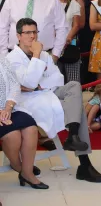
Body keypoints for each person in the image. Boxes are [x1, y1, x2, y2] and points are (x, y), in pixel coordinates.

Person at [7, 18, 101, 183]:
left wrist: (39, 83)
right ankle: (83, 162)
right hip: (29, 101)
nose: (32, 36)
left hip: (50, 92)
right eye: (28, 33)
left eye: (35, 32)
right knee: (77, 110)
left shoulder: (43, 54)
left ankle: (74, 136)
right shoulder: (12, 59)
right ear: (18, 36)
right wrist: (35, 58)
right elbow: (29, 84)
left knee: (74, 85)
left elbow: (58, 78)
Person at [0, 0, 68, 62]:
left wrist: (55, 55)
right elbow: (2, 28)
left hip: (44, 56)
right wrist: (4, 55)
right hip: (14, 57)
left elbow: (62, 28)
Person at [0, 57, 48, 190]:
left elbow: (15, 85)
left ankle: (28, 173)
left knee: (31, 128)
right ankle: (18, 167)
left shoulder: (3, 60)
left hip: (10, 108)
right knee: (13, 135)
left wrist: (8, 107)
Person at [49, 0, 82, 83]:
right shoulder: (47, 3)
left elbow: (76, 25)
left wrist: (66, 39)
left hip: (69, 45)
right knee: (54, 80)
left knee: (73, 81)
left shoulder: (73, 4)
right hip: (51, 48)